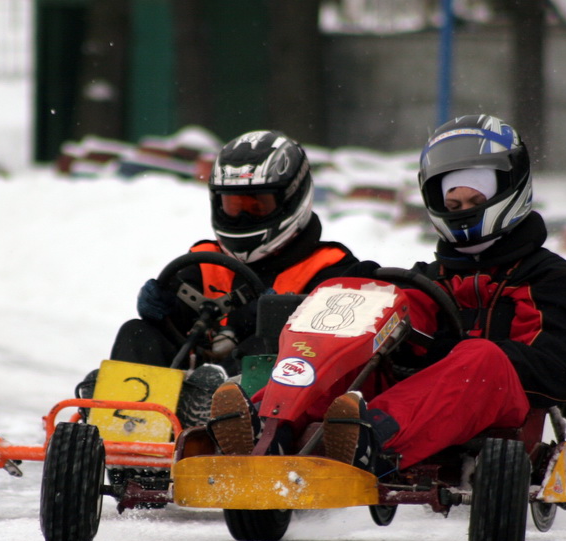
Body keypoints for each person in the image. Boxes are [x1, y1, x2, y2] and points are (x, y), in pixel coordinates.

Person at [208, 115, 566, 473]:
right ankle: (269, 427)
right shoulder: (430, 281)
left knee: (482, 356)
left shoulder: (559, 282)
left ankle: (367, 438)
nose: (463, 208)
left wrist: (465, 353)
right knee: (353, 305)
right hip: (422, 400)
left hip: (505, 409)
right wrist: (360, 294)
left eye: (475, 200)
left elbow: (565, 369)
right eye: (453, 201)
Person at [80, 130, 359, 413]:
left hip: (278, 405)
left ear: (292, 198)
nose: (244, 216)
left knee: (262, 347)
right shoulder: (205, 261)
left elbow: (347, 338)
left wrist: (275, 318)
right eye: (234, 206)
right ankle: (126, 426)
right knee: (137, 332)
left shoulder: (332, 269)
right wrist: (164, 309)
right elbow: (180, 331)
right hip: (193, 385)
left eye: (256, 206)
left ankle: (220, 411)